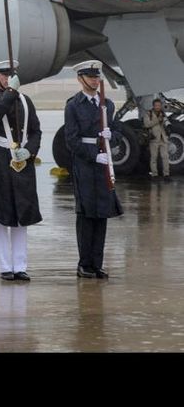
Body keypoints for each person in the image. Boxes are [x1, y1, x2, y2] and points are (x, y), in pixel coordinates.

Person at [0, 60, 42, 281]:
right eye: (3, 75)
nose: (7, 78)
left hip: (21, 160)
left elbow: (36, 131)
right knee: (1, 214)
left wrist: (30, 151)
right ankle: (5, 266)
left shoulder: (26, 101)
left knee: (21, 213)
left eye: (10, 74)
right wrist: (11, 92)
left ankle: (20, 265)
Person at [64, 60, 123, 279]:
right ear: (81, 79)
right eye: (91, 77)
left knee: (102, 214)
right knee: (87, 215)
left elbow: (116, 131)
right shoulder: (73, 105)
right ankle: (84, 264)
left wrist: (112, 137)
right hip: (86, 164)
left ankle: (97, 263)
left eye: (97, 77)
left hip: (103, 162)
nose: (95, 81)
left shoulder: (107, 104)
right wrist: (93, 155)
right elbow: (71, 140)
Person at [143, 98, 171, 178]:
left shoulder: (163, 114)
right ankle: (154, 174)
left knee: (165, 157)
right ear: (153, 106)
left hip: (163, 138)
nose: (158, 107)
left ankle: (166, 174)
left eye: (159, 105)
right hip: (154, 138)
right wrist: (157, 120)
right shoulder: (149, 114)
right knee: (154, 157)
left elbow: (166, 123)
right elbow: (146, 124)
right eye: (156, 105)